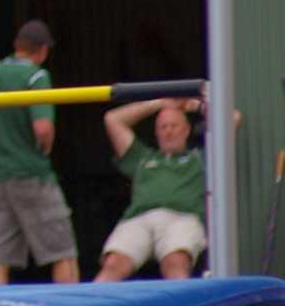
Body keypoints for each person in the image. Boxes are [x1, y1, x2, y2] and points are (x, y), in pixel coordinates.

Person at [0, 19, 80, 285]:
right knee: (63, 253)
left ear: (17, 46)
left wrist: (2, 137)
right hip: (32, 175)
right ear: (43, 50)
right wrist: (44, 146)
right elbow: (43, 128)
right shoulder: (37, 76)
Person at [94, 96, 237, 281]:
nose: (168, 131)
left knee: (175, 262)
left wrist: (195, 106)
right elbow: (113, 119)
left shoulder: (201, 158)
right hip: (139, 219)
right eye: (163, 127)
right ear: (156, 133)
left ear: (186, 130)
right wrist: (158, 104)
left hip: (182, 218)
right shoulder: (142, 158)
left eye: (174, 126)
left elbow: (233, 118)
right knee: (113, 264)